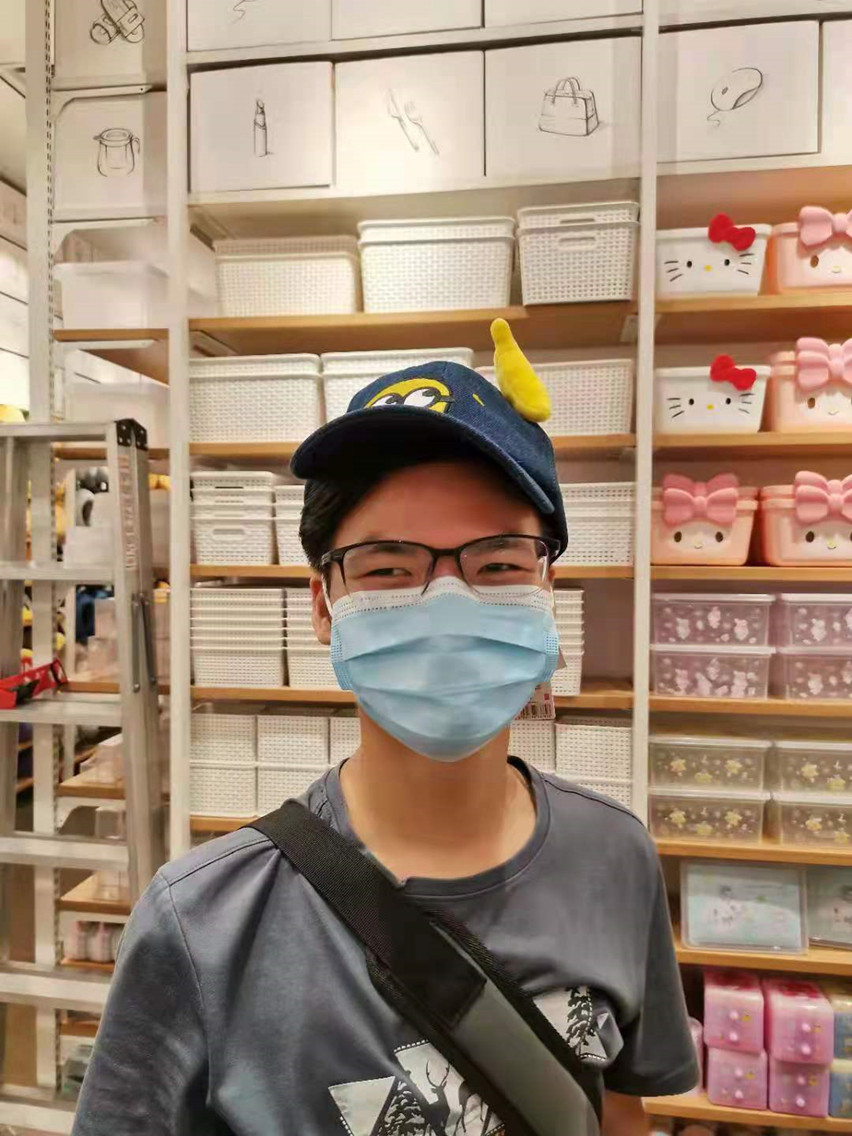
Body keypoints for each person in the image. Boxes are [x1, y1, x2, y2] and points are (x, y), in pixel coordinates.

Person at [73, 322, 698, 1136]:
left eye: (498, 564)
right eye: (388, 568)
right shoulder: (202, 923)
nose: (446, 602)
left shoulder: (616, 857)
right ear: (323, 604)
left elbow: (617, 1112)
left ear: (547, 589)